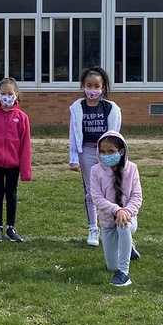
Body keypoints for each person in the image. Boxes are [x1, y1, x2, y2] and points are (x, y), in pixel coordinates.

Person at [68, 66, 122, 246]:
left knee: (110, 189)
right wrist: (73, 157)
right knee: (90, 192)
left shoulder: (111, 108)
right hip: (86, 152)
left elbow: (115, 133)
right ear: (83, 86)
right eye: (89, 85)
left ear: (103, 87)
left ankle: (113, 224)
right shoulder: (77, 107)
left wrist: (114, 154)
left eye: (96, 86)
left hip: (105, 153)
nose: (92, 89)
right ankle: (93, 227)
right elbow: (73, 133)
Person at [0, 77, 33, 242]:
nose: (7, 96)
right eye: (3, 93)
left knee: (11, 194)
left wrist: (25, 171)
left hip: (13, 164)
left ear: (16, 95)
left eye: (10, 93)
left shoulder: (22, 118)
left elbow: (25, 146)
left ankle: (10, 226)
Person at [89, 131, 142, 288]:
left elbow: (137, 196)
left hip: (128, 219)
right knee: (111, 266)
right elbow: (97, 198)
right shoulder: (95, 171)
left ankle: (124, 274)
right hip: (107, 223)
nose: (106, 155)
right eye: (103, 152)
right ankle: (128, 247)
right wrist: (116, 210)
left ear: (121, 151)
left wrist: (126, 212)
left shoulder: (132, 168)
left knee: (123, 225)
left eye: (111, 151)